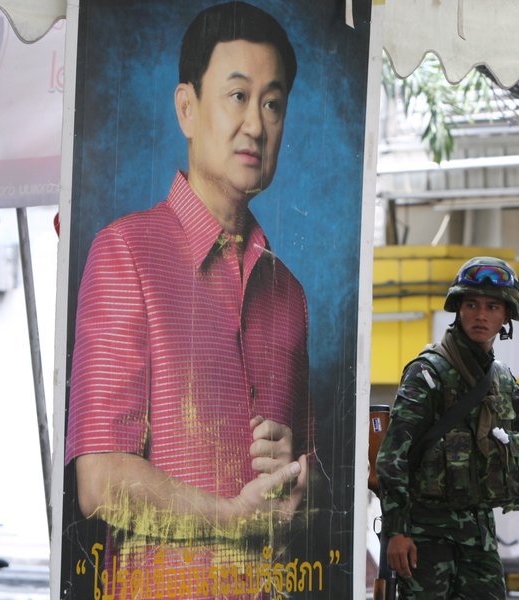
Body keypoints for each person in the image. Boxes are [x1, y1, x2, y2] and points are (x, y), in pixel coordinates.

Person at [64, 2, 311, 596]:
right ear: (186, 108)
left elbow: (314, 478)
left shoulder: (289, 293)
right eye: (237, 96)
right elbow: (99, 481)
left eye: (272, 104)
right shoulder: (125, 252)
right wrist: (234, 517)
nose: (256, 125)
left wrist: (302, 472)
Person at [375, 257, 519, 599]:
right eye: (472, 305)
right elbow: (391, 458)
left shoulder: (500, 379)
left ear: (506, 317)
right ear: (459, 309)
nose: (481, 315)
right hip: (425, 535)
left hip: (478, 534)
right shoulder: (427, 374)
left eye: (492, 307)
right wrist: (397, 531)